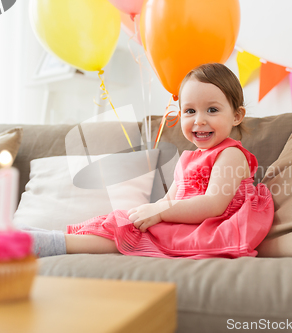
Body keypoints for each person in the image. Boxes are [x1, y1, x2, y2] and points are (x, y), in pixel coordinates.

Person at [25, 63, 274, 259]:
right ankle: (49, 237)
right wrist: (153, 210)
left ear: (237, 115)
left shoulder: (230, 154)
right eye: (190, 111)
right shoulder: (188, 158)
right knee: (122, 218)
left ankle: (53, 244)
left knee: (128, 230)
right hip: (183, 220)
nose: (199, 120)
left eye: (212, 110)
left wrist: (159, 212)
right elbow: (170, 199)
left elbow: (213, 204)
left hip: (208, 228)